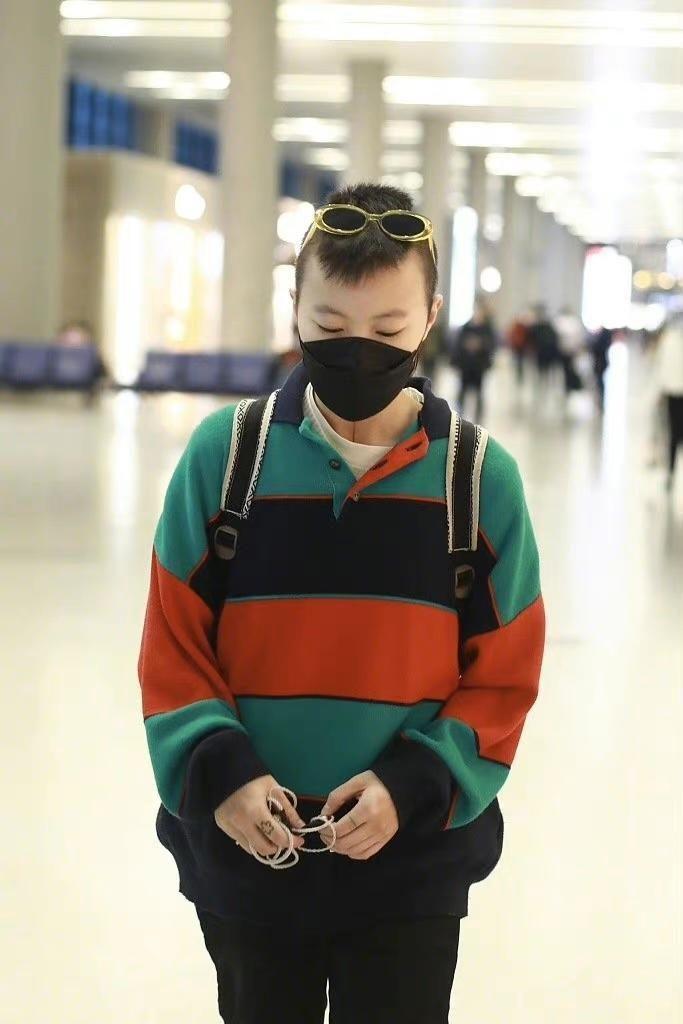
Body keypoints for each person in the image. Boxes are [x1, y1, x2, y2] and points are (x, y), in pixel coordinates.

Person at [138, 183, 545, 1024]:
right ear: (293, 308)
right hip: (251, 859)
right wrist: (222, 772)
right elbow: (173, 646)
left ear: (429, 318)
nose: (358, 353)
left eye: (388, 332)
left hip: (412, 863)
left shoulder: (477, 480)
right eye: (328, 326)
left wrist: (415, 784)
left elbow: (505, 674)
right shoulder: (226, 458)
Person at [449, 297, 497, 420]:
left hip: (479, 367)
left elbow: (491, 346)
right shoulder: (466, 327)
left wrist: (480, 345)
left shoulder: (487, 329)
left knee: (479, 393)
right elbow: (458, 345)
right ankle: (459, 416)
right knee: (462, 392)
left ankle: (478, 418)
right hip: (466, 366)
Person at [652, 315, 683, 489]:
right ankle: (670, 472)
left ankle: (671, 472)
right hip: (672, 392)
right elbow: (662, 368)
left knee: (674, 435)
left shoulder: (668, 340)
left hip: (672, 392)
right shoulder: (669, 341)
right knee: (673, 435)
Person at [527, 303, 560, 392]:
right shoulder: (539, 327)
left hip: (544, 353)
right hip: (542, 353)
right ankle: (542, 387)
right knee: (542, 371)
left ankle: (543, 387)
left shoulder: (542, 327)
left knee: (543, 371)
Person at [553, 307, 585, 397]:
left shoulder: (573, 323)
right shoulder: (560, 321)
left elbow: (578, 338)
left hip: (571, 351)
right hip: (563, 351)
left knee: (570, 370)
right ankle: (565, 387)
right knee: (562, 370)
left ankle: (570, 387)